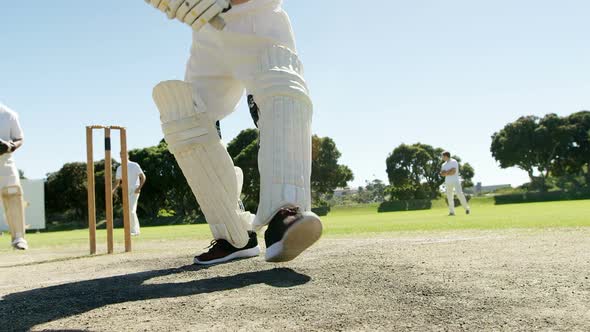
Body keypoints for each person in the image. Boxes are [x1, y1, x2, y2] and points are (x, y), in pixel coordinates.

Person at [146, 0, 322, 265]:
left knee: (281, 91)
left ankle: (286, 215)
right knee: (185, 119)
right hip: (206, 30)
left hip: (256, 16)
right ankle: (235, 234)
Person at [0, 102, 28, 250]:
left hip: (5, 163)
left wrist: (10, 146)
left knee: (13, 194)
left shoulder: (9, 115)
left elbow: (19, 138)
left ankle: (18, 238)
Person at [113, 154, 146, 236]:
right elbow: (117, 182)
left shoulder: (134, 165)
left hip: (134, 190)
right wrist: (112, 190)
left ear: (127, 155)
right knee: (129, 210)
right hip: (125, 191)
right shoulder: (119, 168)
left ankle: (134, 231)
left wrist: (139, 188)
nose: (122, 156)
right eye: (120, 155)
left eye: (123, 154)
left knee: (131, 210)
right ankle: (136, 230)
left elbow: (143, 177)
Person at [440, 151, 471, 216]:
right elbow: (442, 174)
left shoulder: (454, 161)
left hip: (455, 181)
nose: (442, 157)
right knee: (449, 197)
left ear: (446, 156)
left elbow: (453, 171)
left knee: (459, 194)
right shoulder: (443, 164)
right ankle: (452, 212)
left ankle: (467, 208)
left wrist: (446, 172)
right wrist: (448, 171)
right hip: (447, 182)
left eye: (442, 156)